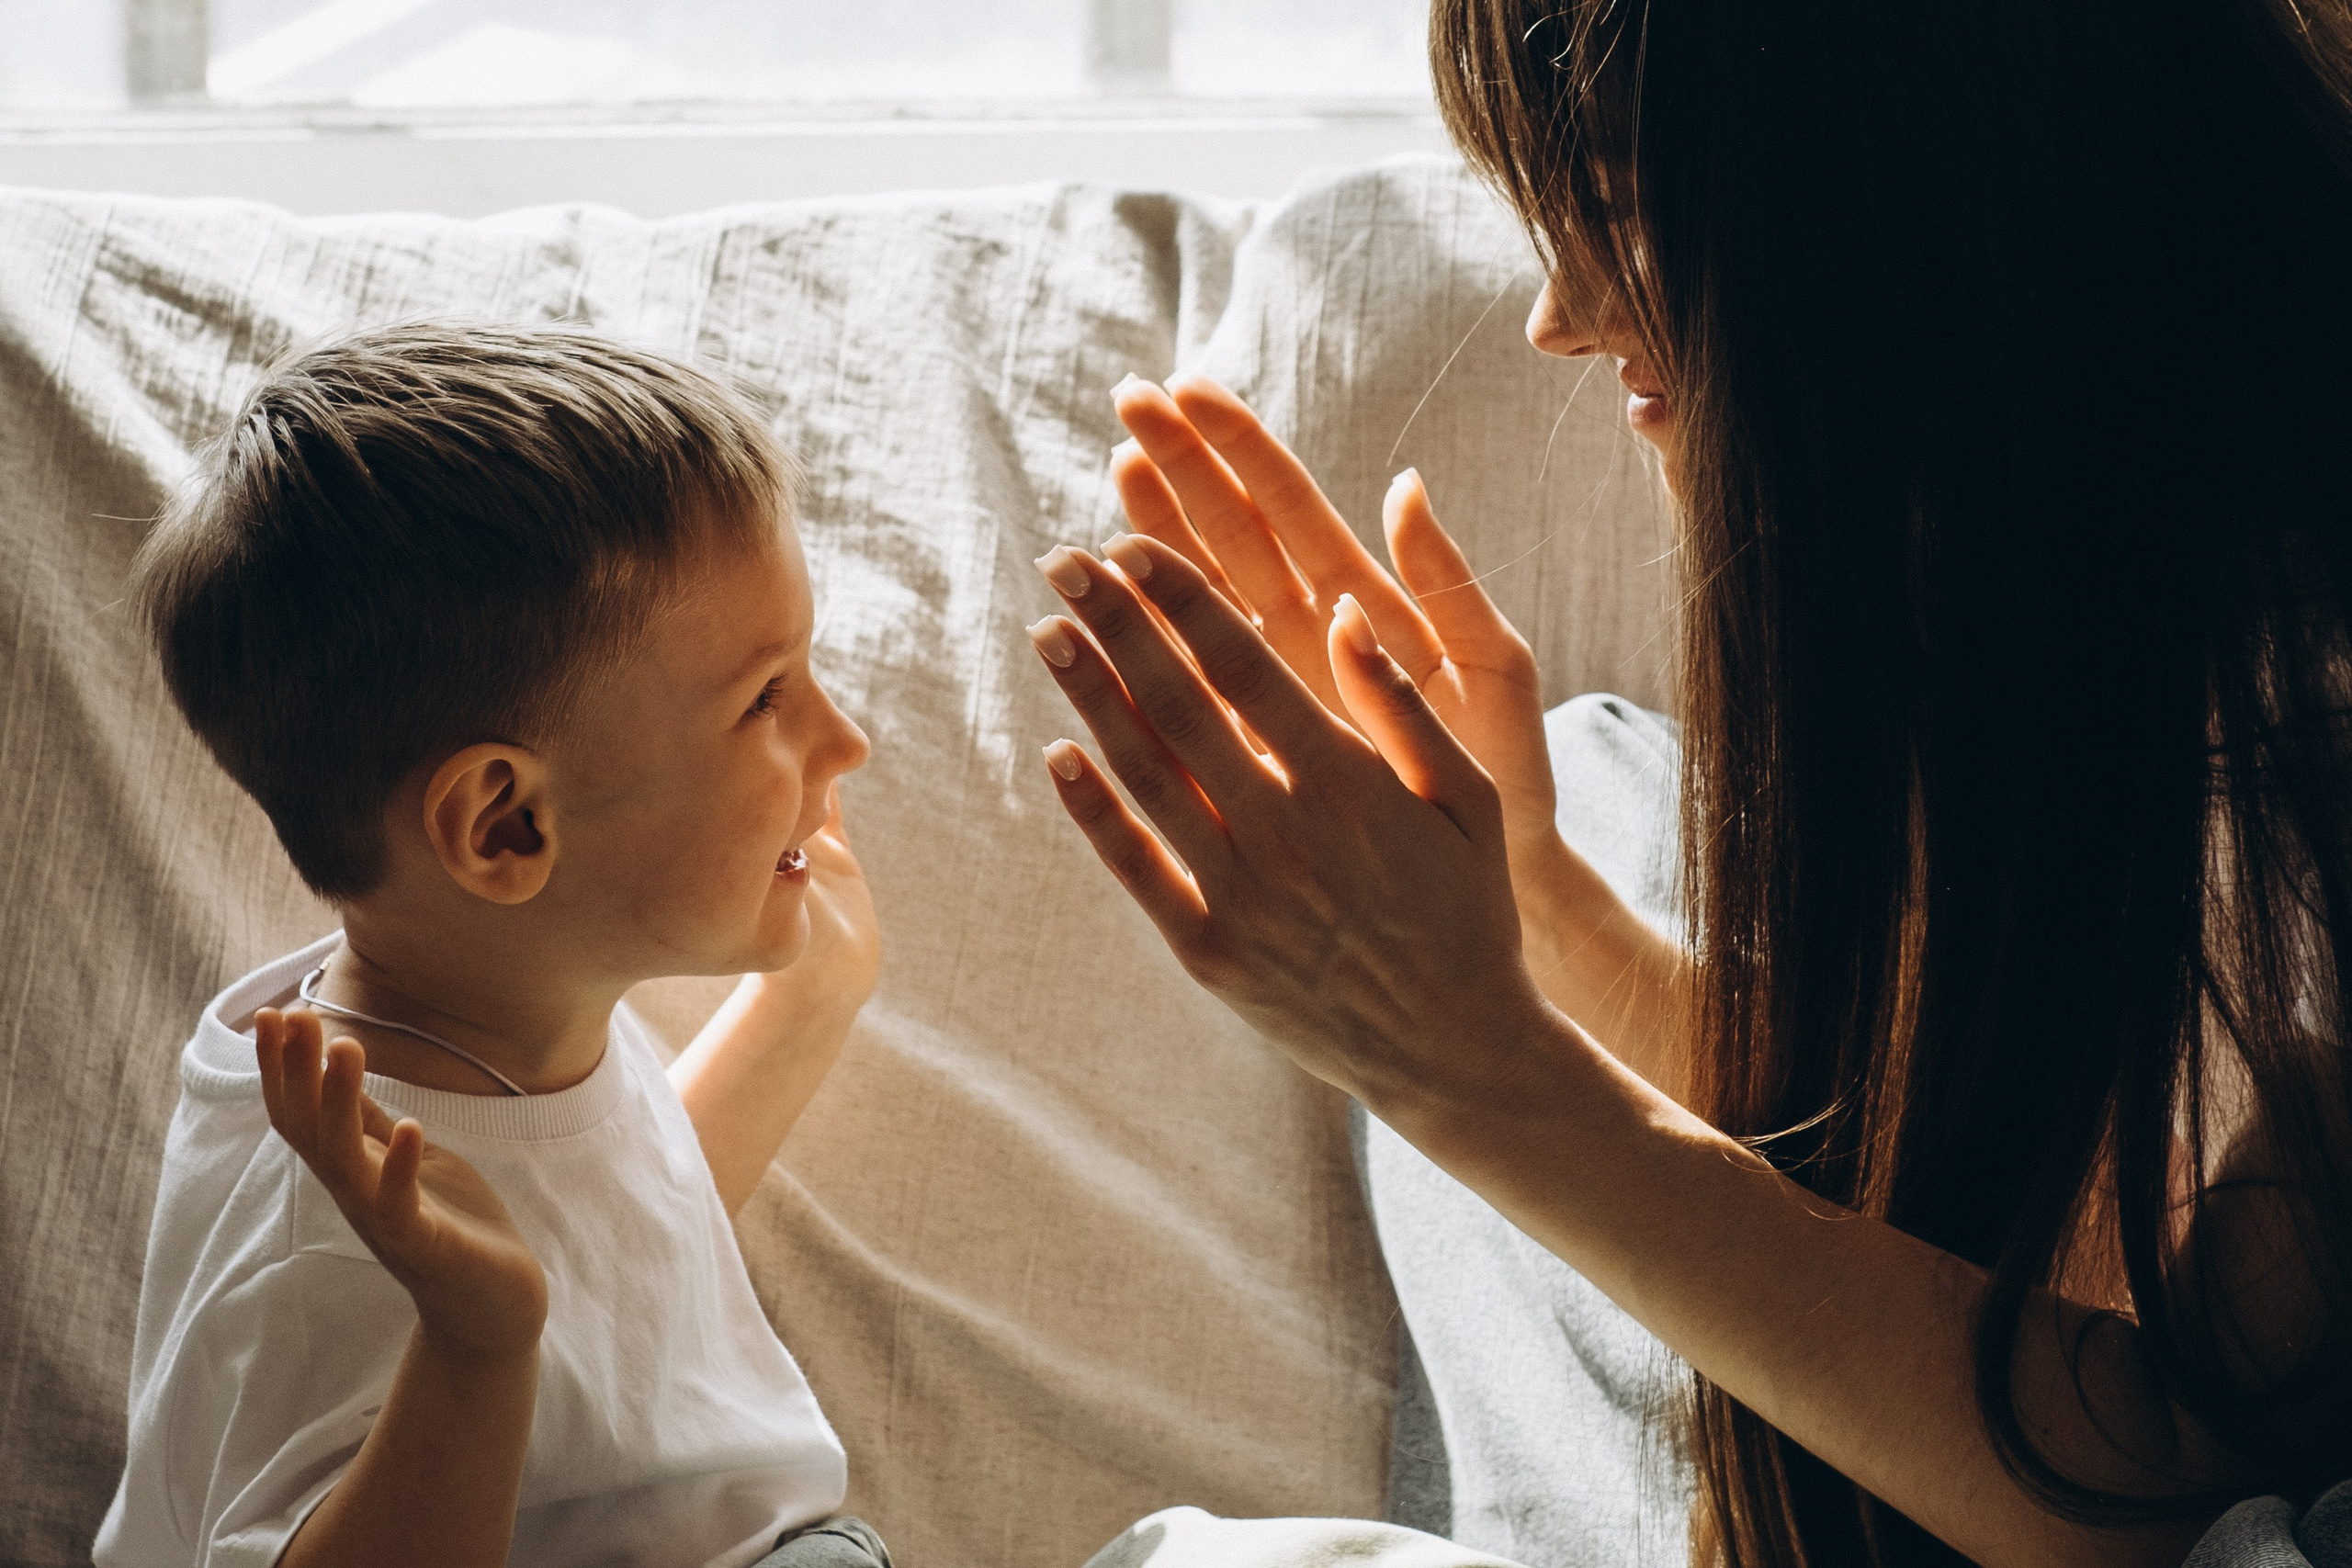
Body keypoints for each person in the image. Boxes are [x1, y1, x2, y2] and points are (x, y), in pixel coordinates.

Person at [1026, 1, 2352, 1564]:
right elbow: (2162, 1375)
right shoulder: (2144, 645)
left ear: (1925, 212)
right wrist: (1539, 914)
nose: (1561, 317)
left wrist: (1471, 1064)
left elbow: (2193, 1522)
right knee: (1585, 789)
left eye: (1626, 215)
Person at [93, 323, 888, 1568]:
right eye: (767, 698)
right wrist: (478, 1345)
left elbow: (621, 1261)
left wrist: (805, 1010)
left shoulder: (507, 1009)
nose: (845, 741)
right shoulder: (337, 1204)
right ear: (506, 826)